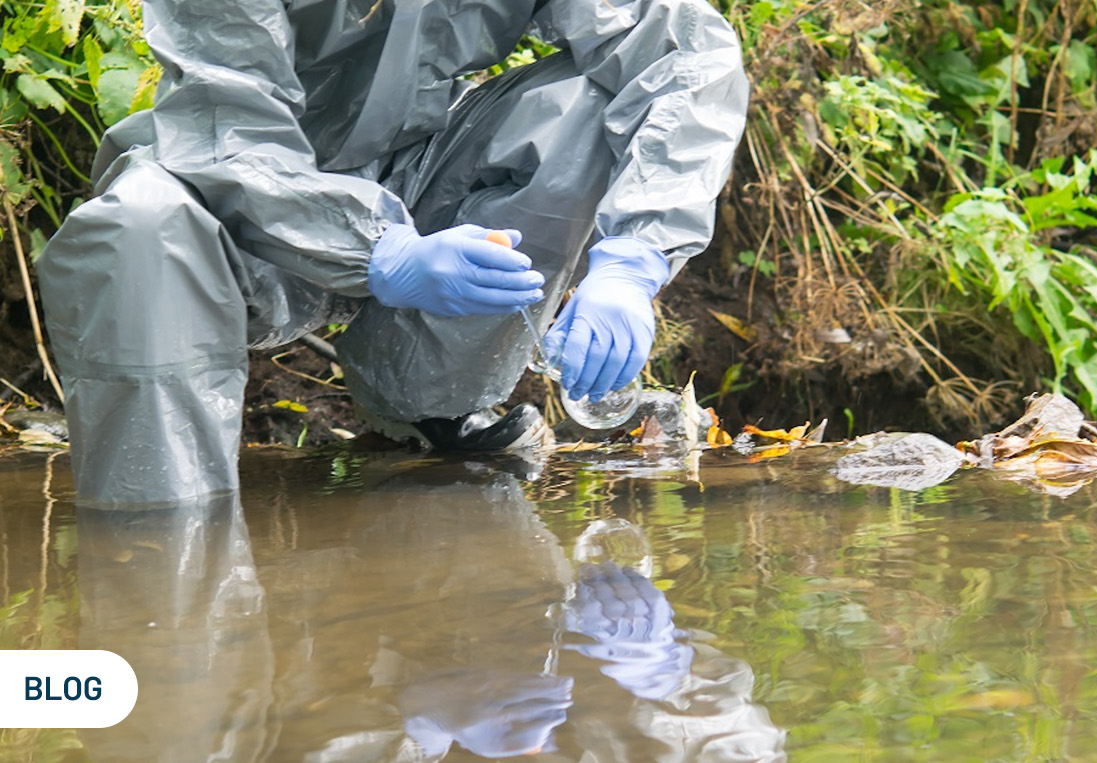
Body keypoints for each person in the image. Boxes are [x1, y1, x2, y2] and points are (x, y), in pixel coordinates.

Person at [35, 0, 749, 504]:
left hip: (415, 173)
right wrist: (380, 247)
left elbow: (684, 52)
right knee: (134, 229)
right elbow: (228, 128)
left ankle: (427, 401)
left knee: (585, 106)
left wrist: (634, 258)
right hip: (233, 198)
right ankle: (158, 538)